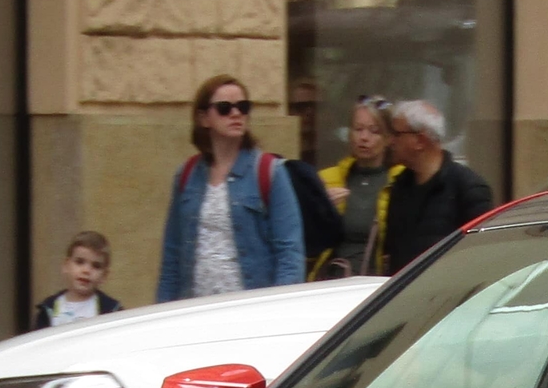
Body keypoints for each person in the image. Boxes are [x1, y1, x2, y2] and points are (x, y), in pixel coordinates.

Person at [156, 74, 305, 301]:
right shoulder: (186, 175)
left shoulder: (269, 172)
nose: (236, 114)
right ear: (204, 118)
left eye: (243, 107)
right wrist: (163, 312)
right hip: (194, 310)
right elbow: (172, 256)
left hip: (251, 310)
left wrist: (277, 309)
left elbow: (290, 254)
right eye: (224, 108)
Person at [378, 100, 494, 275]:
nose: (390, 142)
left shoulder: (469, 188)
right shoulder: (399, 187)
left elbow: (481, 258)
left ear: (420, 140)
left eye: (397, 134)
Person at [318, 98, 401, 277]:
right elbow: (305, 243)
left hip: (375, 285)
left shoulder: (400, 181)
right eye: (358, 129)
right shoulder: (328, 179)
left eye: (374, 131)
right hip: (332, 282)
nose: (364, 137)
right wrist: (319, 210)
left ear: (389, 139)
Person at [30, 231, 122, 327]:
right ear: (66, 265)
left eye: (96, 266)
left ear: (104, 276)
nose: (86, 271)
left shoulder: (111, 311)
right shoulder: (48, 309)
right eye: (80, 262)